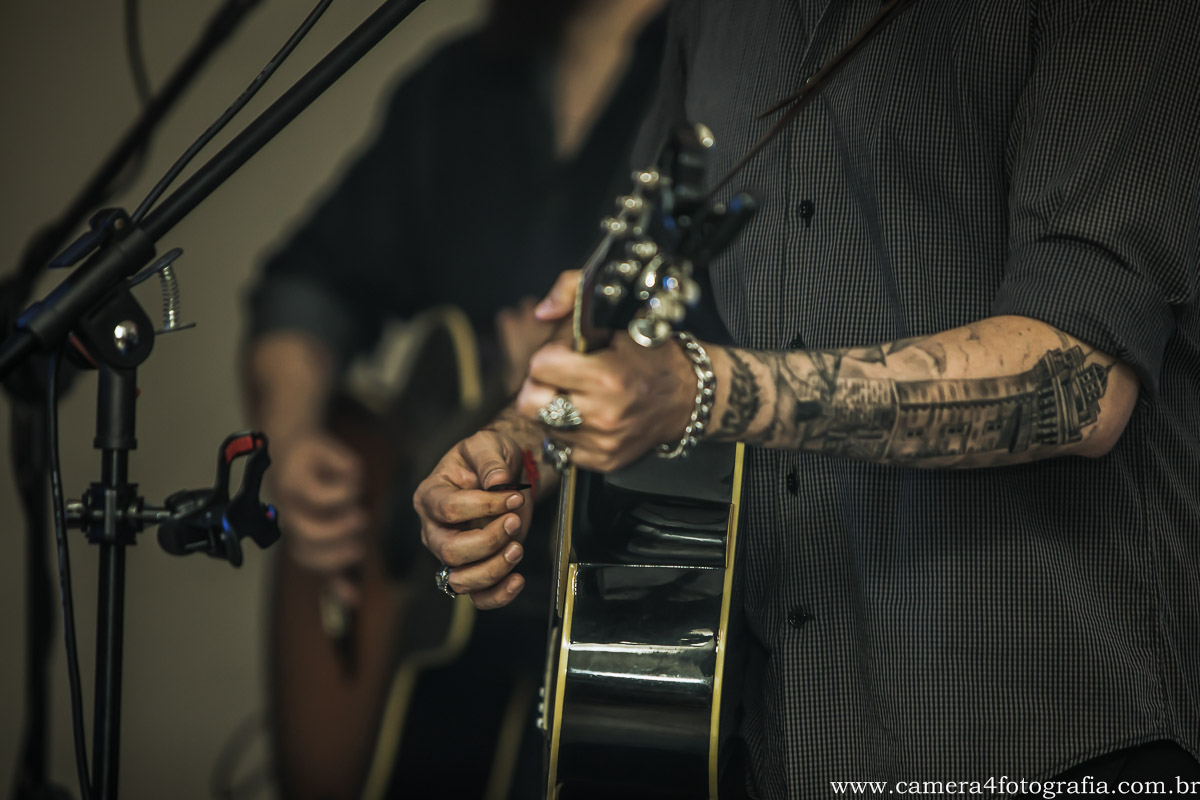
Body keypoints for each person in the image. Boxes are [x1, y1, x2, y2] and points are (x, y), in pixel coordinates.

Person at [413, 0, 1200, 797]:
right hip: (783, 735)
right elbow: (629, 312)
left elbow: (1077, 383)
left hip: (1058, 730)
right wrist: (517, 446)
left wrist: (706, 391)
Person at [243, 0, 666, 796]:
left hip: (627, 644)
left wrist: (560, 391)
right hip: (451, 682)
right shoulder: (455, 88)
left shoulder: (722, 77)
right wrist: (296, 439)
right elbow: (306, 286)